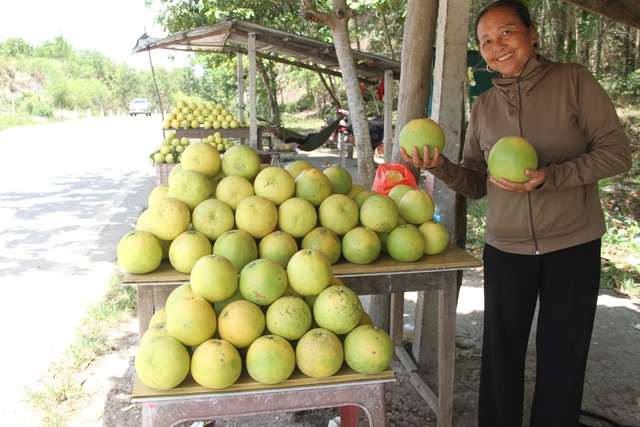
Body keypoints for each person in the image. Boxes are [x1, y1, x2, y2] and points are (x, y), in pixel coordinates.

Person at [400, 1, 632, 426]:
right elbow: (476, 181)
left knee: (564, 350)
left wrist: (550, 176)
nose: (496, 46)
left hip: (572, 240)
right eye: (486, 41)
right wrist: (440, 168)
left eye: (506, 32)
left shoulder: (573, 81)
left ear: (531, 32)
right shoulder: (485, 105)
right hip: (507, 247)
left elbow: (617, 155)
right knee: (501, 352)